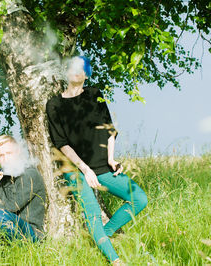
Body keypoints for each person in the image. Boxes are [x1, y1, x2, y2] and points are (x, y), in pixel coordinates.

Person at [46, 56, 148, 264]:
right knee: (92, 216)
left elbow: (109, 130)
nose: (76, 71)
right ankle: (115, 260)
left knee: (139, 199)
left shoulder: (94, 95)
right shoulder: (54, 104)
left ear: (87, 73)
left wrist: (111, 159)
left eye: (81, 68)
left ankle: (103, 236)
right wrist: (84, 169)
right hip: (75, 169)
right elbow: (61, 142)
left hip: (103, 166)